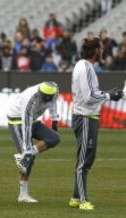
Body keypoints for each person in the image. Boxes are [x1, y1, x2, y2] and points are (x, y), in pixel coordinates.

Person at [69, 37, 123, 210]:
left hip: (88, 116)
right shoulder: (85, 68)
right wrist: (109, 96)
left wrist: (109, 93)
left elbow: (92, 93)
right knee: (84, 161)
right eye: (101, 48)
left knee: (85, 159)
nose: (103, 51)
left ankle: (76, 197)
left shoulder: (84, 66)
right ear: (95, 51)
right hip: (85, 117)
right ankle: (82, 200)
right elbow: (89, 97)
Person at [8, 82, 61, 203]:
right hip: (17, 120)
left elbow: (53, 104)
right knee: (28, 161)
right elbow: (26, 125)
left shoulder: (54, 91)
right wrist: (27, 150)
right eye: (43, 99)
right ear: (39, 93)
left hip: (34, 120)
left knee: (55, 138)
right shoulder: (31, 100)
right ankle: (23, 195)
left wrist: (54, 121)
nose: (44, 101)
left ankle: (23, 156)